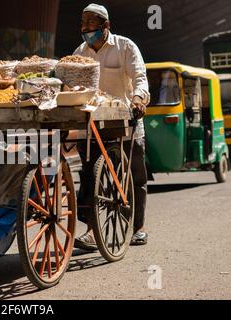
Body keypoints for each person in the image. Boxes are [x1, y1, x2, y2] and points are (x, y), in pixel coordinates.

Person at [73, 3, 150, 249]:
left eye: (91, 24)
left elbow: (139, 77)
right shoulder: (80, 52)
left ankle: (137, 227)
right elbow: (70, 82)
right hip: (93, 123)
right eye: (83, 24)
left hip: (126, 121)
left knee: (134, 178)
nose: (86, 29)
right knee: (90, 176)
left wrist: (138, 99)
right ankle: (92, 231)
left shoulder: (125, 47)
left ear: (106, 26)